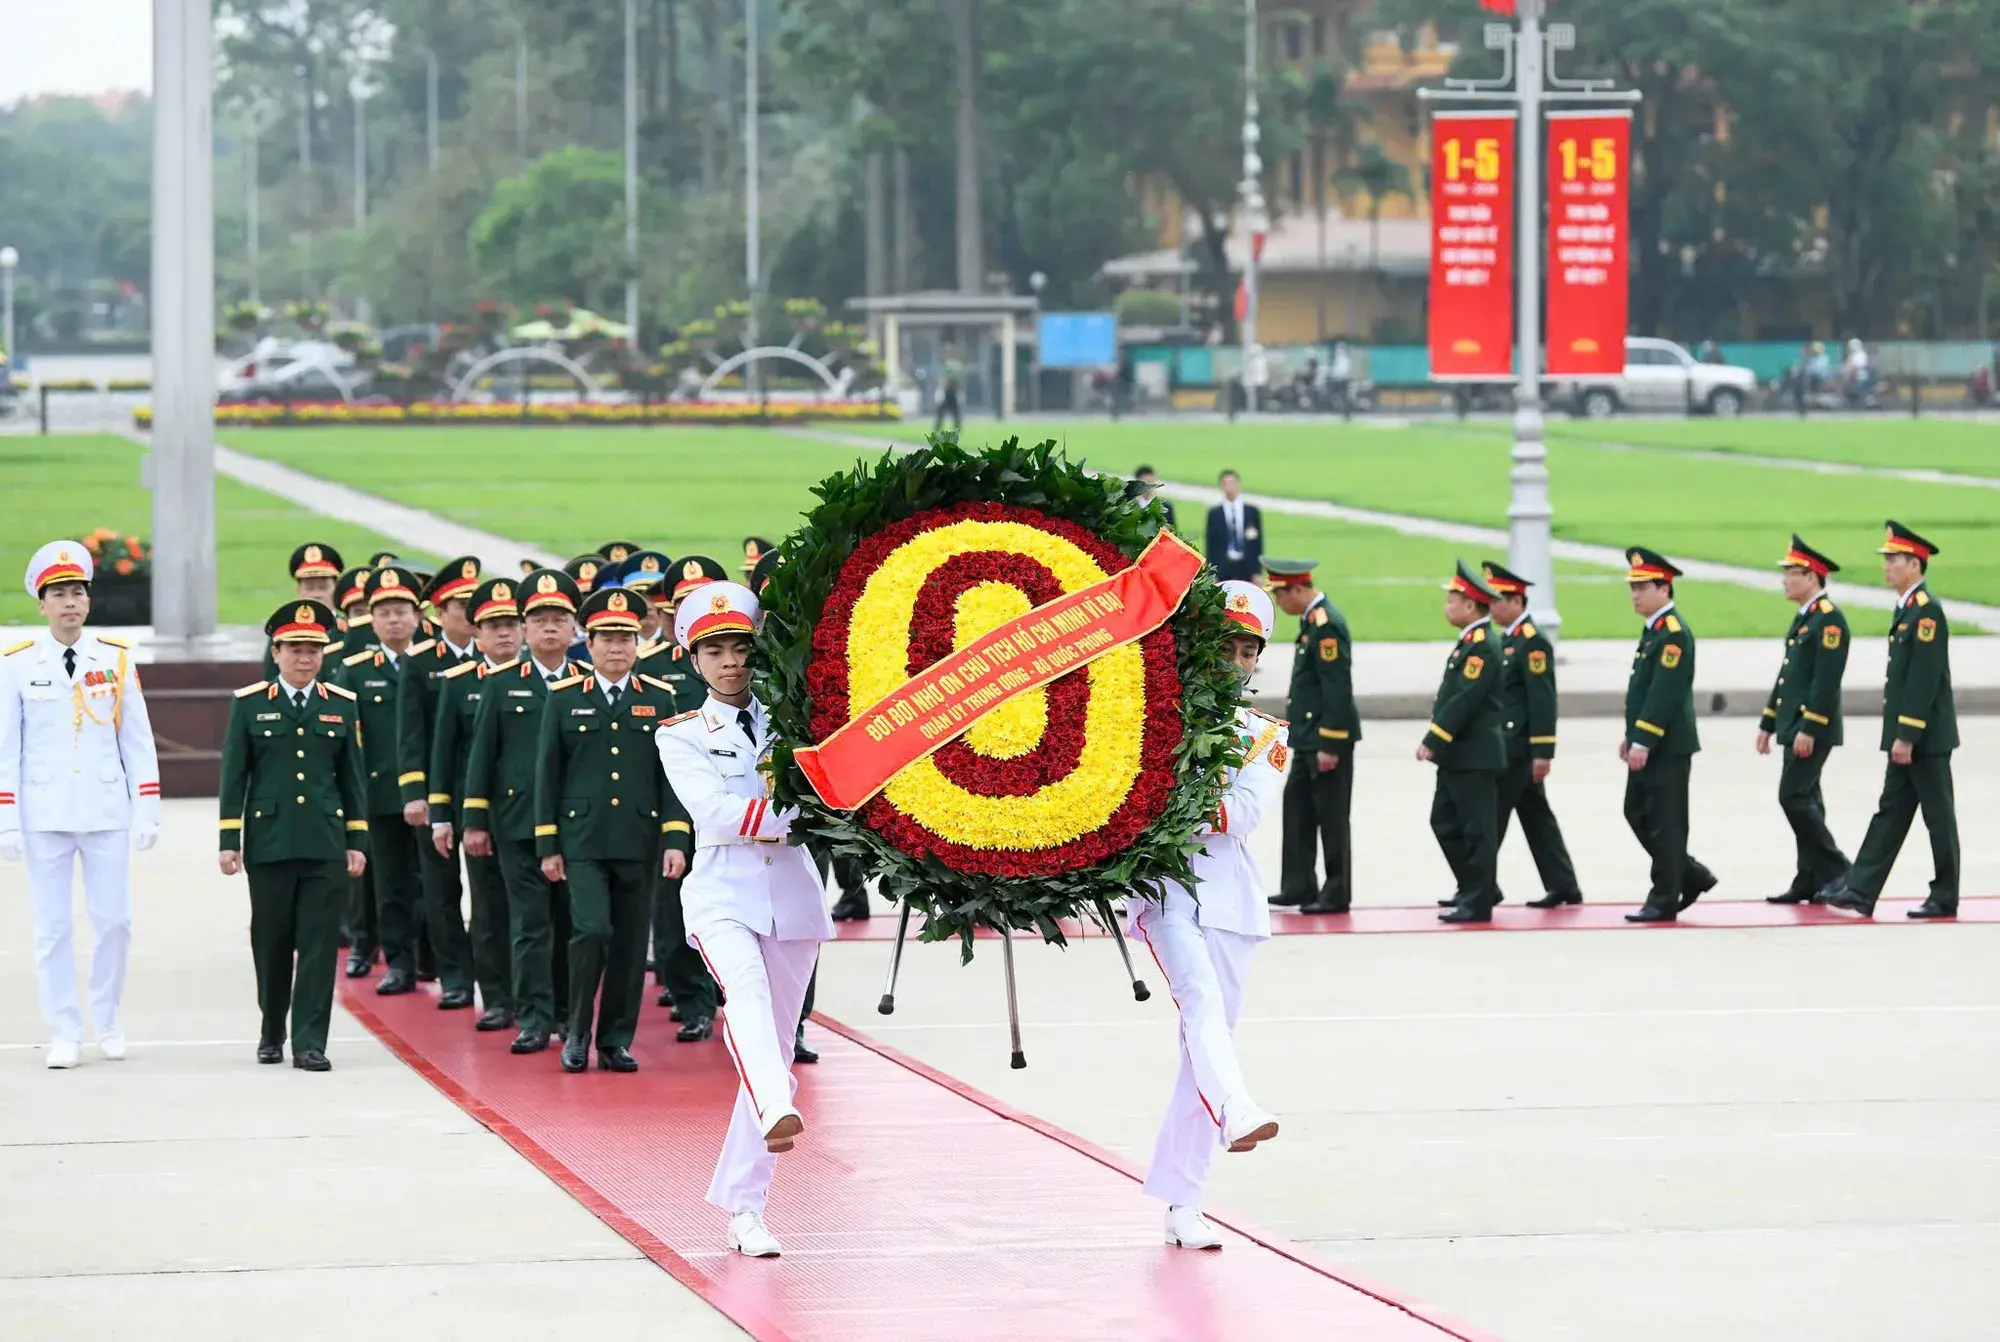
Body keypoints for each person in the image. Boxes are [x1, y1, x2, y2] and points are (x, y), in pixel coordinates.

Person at [655, 582, 832, 1258]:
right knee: (749, 1006)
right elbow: (717, 816)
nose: (731, 662)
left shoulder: (798, 726)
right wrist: (798, 817)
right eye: (715, 651)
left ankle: (746, 1209)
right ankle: (773, 1105)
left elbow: (832, 796)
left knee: (778, 1048)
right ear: (692, 659)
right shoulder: (680, 735)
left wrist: (802, 817)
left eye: (742, 649)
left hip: (792, 899)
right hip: (721, 896)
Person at [1130, 579, 1283, 1251]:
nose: (1237, 663)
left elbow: (1244, 813)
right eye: (1227, 647)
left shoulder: (1266, 737)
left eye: (1249, 652)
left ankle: (1182, 1199)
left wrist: (1179, 800)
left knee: (1203, 1047)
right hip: (1166, 890)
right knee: (1200, 1002)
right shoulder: (1154, 716)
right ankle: (1238, 1108)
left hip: (1231, 899)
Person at [0, 541, 160, 1068]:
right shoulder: (18, 665)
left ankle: (108, 1019)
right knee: (52, 928)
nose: (70, 603)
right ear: (41, 604)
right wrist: (7, 821)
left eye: (77, 593)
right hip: (44, 812)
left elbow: (136, 739)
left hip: (104, 808)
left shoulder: (114, 658)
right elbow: (7, 748)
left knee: (114, 921)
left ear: (88, 602)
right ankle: (64, 1029)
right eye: (59, 595)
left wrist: (148, 807)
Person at [534, 588, 694, 1074]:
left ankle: (615, 1039)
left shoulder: (659, 697)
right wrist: (547, 844)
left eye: (626, 637)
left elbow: (671, 775)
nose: (617, 647)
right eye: (607, 638)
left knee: (628, 942)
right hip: (581, 841)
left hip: (639, 839)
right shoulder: (564, 699)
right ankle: (577, 1031)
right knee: (591, 930)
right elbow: (547, 773)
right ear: (590, 642)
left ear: (637, 643)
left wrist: (675, 837)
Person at [217, 601, 367, 1071]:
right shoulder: (250, 704)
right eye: (296, 650)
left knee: (319, 945)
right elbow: (234, 775)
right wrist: (228, 838)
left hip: (324, 841)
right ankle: (271, 1029)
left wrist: (357, 839)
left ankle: (309, 1041)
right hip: (270, 841)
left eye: (314, 650)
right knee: (272, 940)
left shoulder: (340, 705)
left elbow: (352, 778)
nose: (305, 659)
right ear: (276, 652)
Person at [461, 569, 582, 1054]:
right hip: (517, 824)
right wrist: (474, 819)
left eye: (560, 619)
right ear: (525, 630)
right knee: (530, 925)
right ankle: (532, 1015)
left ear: (575, 629)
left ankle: (569, 1014)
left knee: (573, 925)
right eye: (539, 620)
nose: (550, 628)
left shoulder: (586, 682)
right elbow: (482, 755)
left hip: (576, 828)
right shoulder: (501, 682)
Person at [1821, 523, 1959, 920]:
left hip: (1925, 738)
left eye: (1894, 561)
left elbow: (1923, 680)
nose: (1887, 568)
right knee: (1891, 812)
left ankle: (1945, 894)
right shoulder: (1908, 610)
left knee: (1938, 818)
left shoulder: (1927, 612)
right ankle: (1862, 889)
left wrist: (1907, 735)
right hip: (1908, 736)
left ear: (1915, 565)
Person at [427, 577, 526, 1032]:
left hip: (530, 816)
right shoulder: (459, 683)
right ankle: (498, 998)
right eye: (494, 626)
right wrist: (445, 818)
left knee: (534, 915)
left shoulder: (548, 681)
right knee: (488, 910)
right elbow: (444, 757)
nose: (504, 634)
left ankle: (535, 999)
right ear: (478, 633)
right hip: (480, 816)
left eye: (511, 624)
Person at [638, 555, 727, 1034]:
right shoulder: (652, 668)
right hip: (676, 808)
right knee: (673, 912)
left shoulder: (745, 661)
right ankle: (693, 1004)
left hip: (735, 806)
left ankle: (740, 1003)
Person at [396, 558, 483, 1010]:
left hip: (487, 794)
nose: (469, 613)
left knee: (490, 896)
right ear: (438, 611)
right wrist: (416, 793)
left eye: (473, 603)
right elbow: (410, 733)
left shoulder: (499, 662)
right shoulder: (421, 662)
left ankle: (494, 977)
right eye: (459, 605)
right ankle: (455, 976)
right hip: (439, 792)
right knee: (442, 891)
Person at [334, 566, 427, 985]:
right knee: (388, 882)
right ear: (371, 622)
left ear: (418, 618)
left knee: (431, 881)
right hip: (380, 791)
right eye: (385, 613)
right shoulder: (355, 671)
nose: (394, 620)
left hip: (426, 791)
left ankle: (431, 954)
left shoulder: (431, 665)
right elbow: (347, 740)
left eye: (402, 611)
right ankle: (398, 959)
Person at [1620, 548, 1718, 923]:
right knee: (1637, 812)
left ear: (1665, 589)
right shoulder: (1655, 632)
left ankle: (1664, 896)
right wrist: (1631, 737)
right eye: (1632, 588)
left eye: (1642, 588)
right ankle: (1689, 874)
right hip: (1649, 742)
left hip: (1666, 745)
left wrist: (1643, 739)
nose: (1634, 595)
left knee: (1666, 820)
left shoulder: (1673, 635)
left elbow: (1664, 694)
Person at [1758, 536, 1851, 905]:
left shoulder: (1829, 621)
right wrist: (1768, 722)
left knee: (1793, 796)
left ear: (1811, 577)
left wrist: (1810, 728)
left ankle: (1840, 869)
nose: (1784, 581)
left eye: (1791, 574)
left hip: (1810, 728)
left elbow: (1825, 684)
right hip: (1792, 726)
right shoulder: (1806, 619)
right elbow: (1789, 677)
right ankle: (1809, 878)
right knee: (1807, 799)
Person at [1482, 562, 1581, 908]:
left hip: (1518, 749)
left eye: (1498, 601)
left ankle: (1477, 887)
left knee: (1488, 816)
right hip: (1509, 746)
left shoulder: (1532, 643)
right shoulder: (1508, 639)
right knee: (1537, 818)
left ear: (1517, 602)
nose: (1491, 607)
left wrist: (1542, 752)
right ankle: (1563, 883)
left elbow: (1542, 701)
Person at [1264, 558, 1358, 914]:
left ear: (1299, 589)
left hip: (1326, 738)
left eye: (1281, 595)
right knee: (1299, 809)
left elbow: (1336, 688)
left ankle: (1336, 893)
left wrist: (1330, 741)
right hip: (1307, 737)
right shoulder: (1311, 621)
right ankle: (1299, 885)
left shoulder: (1326, 625)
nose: (1279, 603)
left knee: (1331, 817)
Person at [1420, 563, 1507, 924]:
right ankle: (1478, 886)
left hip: (1474, 755)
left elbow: (1464, 700)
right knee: (1444, 822)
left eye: (1452, 600)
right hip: (1458, 755)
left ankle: (1478, 899)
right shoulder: (1470, 641)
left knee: (1476, 831)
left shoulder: (1482, 646)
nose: (1447, 607)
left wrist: (1433, 739)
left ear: (1470, 606)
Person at [260, 543, 346, 681]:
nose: (316, 594)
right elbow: (271, 678)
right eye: (310, 588)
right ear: (299, 591)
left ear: (336, 589)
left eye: (323, 587)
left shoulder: (348, 629)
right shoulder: (283, 629)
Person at [1204, 470, 1264, 583]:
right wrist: (1211, 573)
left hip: (1246, 567)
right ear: (1221, 487)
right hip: (1223, 568)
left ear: (1239, 485)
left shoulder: (1251, 512)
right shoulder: (1215, 514)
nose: (1229, 487)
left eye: (1232, 483)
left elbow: (1258, 544)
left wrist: (1257, 572)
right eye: (1225, 484)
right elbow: (1210, 545)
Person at [1133, 466, 1178, 530]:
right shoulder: (1131, 506)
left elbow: (1173, 531)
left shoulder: (1166, 506)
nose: (1149, 486)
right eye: (1145, 482)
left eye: (1151, 481)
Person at [934, 345, 965, 433]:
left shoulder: (947, 365)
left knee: (941, 411)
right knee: (955, 413)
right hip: (956, 391)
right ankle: (958, 429)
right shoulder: (958, 365)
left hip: (948, 391)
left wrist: (941, 388)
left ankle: (937, 429)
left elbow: (945, 379)